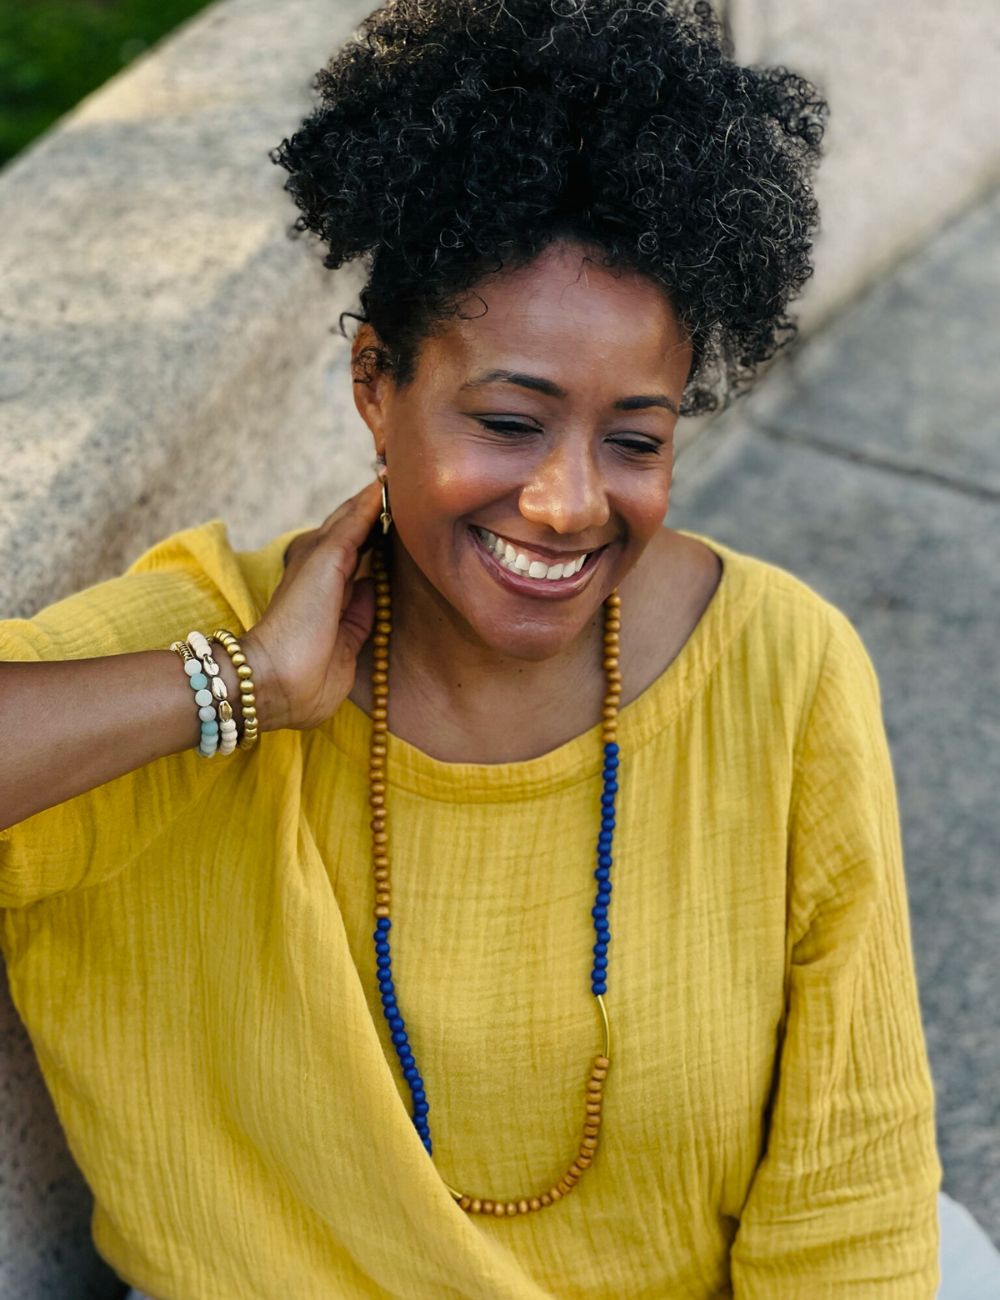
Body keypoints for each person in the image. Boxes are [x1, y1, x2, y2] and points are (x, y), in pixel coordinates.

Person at [0, 0, 951, 1295]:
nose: (567, 503)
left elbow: (851, 1199)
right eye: (509, 421)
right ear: (375, 384)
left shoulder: (784, 675)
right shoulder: (227, 638)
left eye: (635, 439)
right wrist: (234, 689)